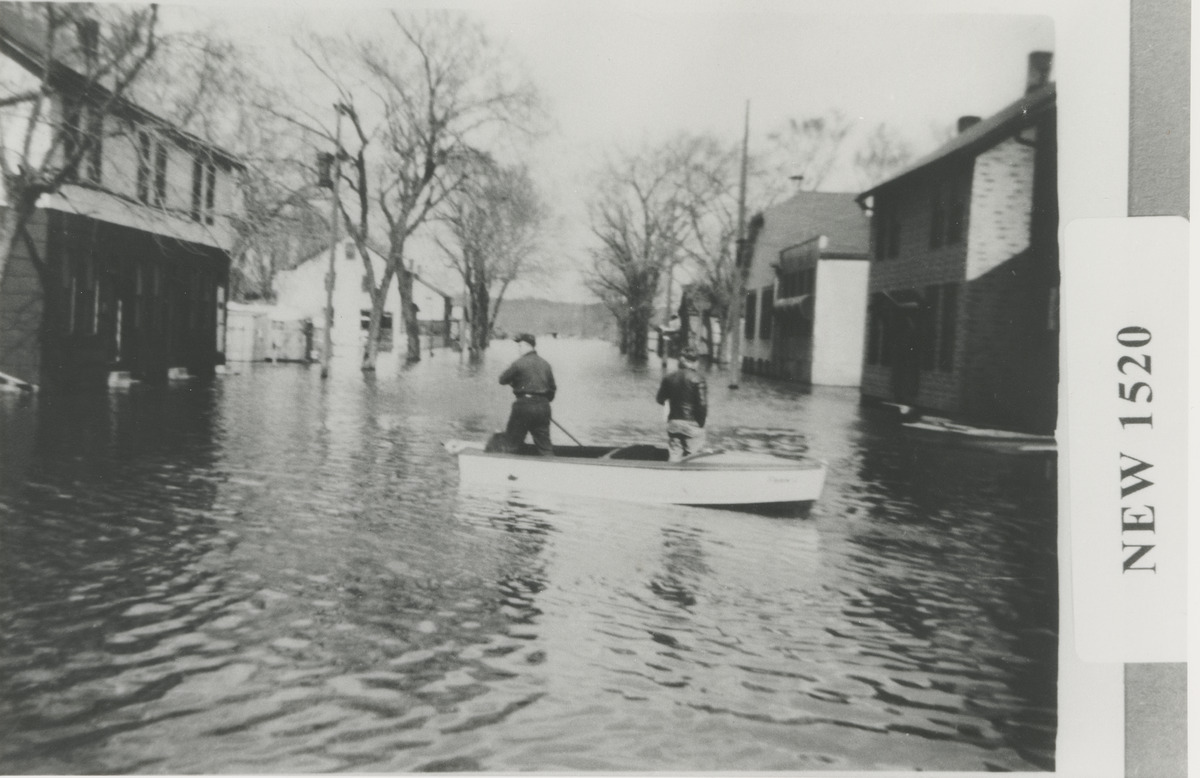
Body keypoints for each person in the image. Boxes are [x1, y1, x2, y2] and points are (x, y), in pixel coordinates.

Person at [497, 333, 557, 455]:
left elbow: (502, 380)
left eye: (520, 346)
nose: (518, 349)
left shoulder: (519, 363)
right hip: (543, 407)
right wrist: (541, 401)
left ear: (527, 346)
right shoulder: (546, 364)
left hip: (524, 406)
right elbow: (552, 389)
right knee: (544, 446)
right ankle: (552, 466)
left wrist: (515, 382)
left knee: (511, 443)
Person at [656, 348, 707, 461]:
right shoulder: (698, 379)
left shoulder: (668, 378)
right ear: (695, 362)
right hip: (692, 424)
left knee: (674, 456)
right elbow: (702, 405)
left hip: (674, 423)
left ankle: (672, 474)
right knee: (695, 458)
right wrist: (701, 424)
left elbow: (660, 399)